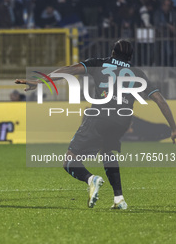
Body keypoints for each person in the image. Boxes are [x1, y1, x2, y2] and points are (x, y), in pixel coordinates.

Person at [15, 39, 176, 209]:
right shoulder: (138, 73)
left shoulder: (99, 63)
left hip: (100, 116)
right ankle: (119, 198)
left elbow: (69, 70)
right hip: (122, 121)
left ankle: (91, 179)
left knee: (69, 160)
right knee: (107, 151)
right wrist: (173, 128)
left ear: (112, 53)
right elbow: (159, 99)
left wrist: (41, 82)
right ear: (130, 57)